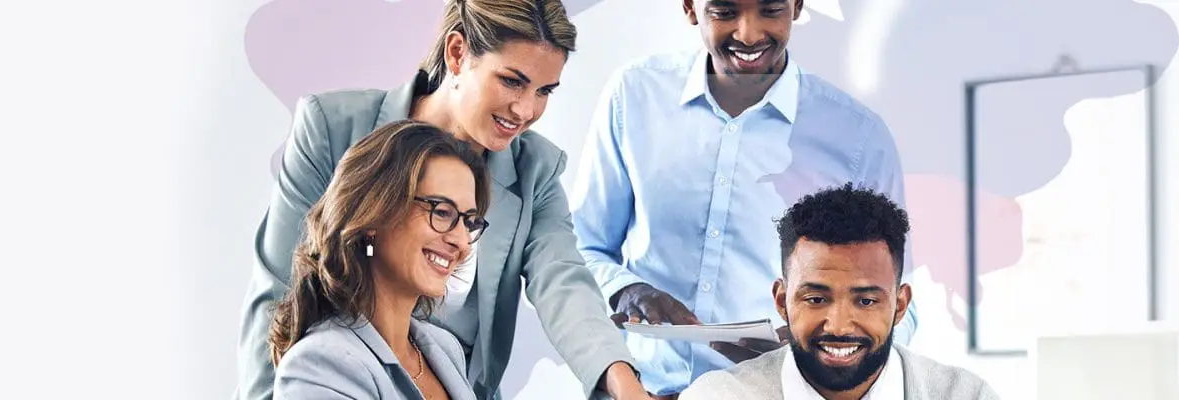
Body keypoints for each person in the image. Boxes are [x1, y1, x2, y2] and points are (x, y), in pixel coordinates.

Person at [237, 1, 650, 399]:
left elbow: (564, 283)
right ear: (457, 52)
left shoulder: (533, 171)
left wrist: (625, 385)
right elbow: (280, 291)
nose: (525, 110)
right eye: (512, 80)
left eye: (544, 91)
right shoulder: (333, 129)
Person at [569, 0, 916, 397]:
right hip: (637, 389)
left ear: (797, 5)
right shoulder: (634, 95)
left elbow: (898, 304)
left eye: (770, 10)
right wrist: (626, 290)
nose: (748, 34)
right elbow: (580, 249)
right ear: (690, 7)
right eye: (724, 11)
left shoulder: (857, 137)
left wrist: (816, 353)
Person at [677, 184, 996, 399]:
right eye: (816, 299)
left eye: (866, 301)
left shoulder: (965, 395)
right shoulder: (717, 396)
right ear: (782, 301)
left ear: (900, 306)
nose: (840, 326)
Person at [270, 121, 487, 400]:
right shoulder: (318, 366)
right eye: (442, 212)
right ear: (374, 215)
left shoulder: (445, 348)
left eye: (469, 222)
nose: (462, 242)